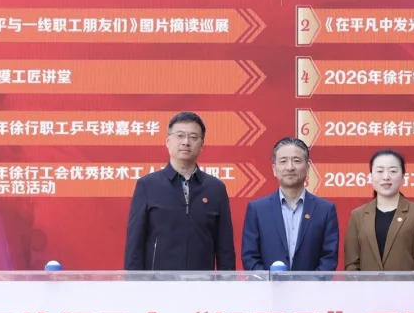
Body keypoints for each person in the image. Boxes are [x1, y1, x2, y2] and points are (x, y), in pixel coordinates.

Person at [124, 112, 236, 271]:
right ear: (168, 141)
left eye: (193, 137)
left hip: (202, 281)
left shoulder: (215, 188)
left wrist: (227, 281)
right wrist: (135, 281)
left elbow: (225, 248)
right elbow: (135, 244)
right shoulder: (147, 185)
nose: (186, 142)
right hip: (159, 281)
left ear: (202, 144)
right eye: (180, 136)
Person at [241, 137, 339, 272]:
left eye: (296, 161)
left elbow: (329, 258)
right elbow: (250, 257)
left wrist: (310, 283)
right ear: (274, 169)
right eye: (283, 161)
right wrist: (269, 281)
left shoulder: (325, 210)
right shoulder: (257, 209)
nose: (290, 167)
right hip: (269, 285)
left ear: (307, 168)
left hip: (311, 286)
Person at [345, 149, 414, 271]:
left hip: (405, 284)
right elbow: (352, 265)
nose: (386, 177)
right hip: (367, 284)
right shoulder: (358, 215)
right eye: (380, 171)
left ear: (403, 176)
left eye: (393, 171)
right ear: (370, 176)